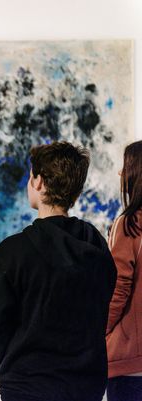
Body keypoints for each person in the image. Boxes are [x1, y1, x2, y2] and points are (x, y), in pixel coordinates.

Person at [0, 141, 117, 401]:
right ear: (76, 193)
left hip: (28, 383)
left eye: (30, 176)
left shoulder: (12, 252)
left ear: (39, 182)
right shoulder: (98, 247)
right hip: (86, 383)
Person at [106, 140, 142, 400]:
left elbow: (118, 288)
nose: (120, 173)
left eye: (125, 166)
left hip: (131, 363)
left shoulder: (129, 224)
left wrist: (100, 330)